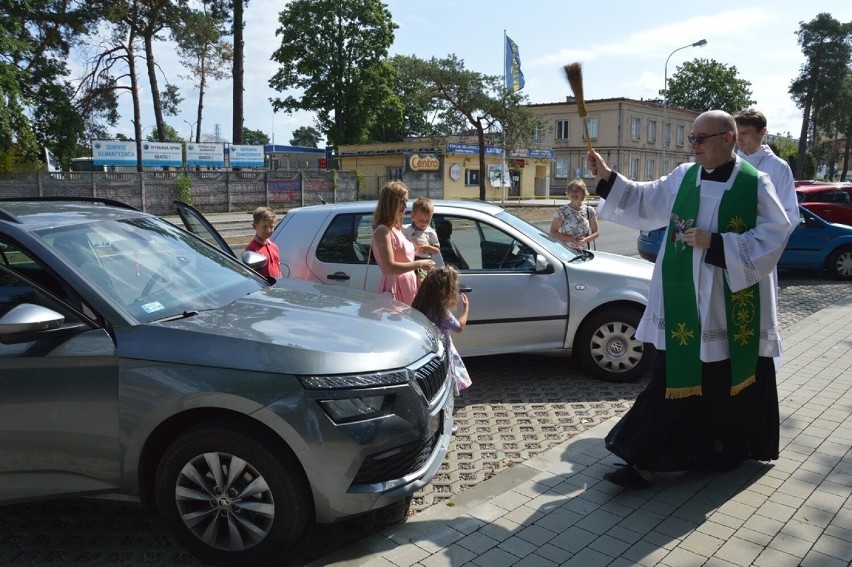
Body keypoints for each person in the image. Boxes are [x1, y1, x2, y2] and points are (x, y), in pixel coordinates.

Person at [586, 110, 794, 489]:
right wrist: (607, 177)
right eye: (692, 139)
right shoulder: (685, 176)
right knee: (669, 377)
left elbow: (777, 233)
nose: (693, 145)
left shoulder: (755, 183)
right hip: (683, 299)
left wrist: (715, 243)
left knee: (721, 381)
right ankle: (642, 460)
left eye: (701, 139)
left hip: (726, 302)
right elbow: (646, 200)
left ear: (728, 139)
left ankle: (722, 451)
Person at [371, 181, 434, 305]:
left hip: (406, 286)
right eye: (401, 202)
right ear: (390, 203)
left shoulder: (396, 228)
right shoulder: (383, 231)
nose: (405, 206)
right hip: (396, 287)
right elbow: (389, 268)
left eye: (406, 201)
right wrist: (420, 264)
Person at [411, 266, 471, 396]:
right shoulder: (441, 311)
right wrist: (466, 309)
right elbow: (459, 327)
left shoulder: (420, 301)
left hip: (425, 347)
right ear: (445, 291)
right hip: (441, 349)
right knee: (446, 374)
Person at [735, 108, 799, 227]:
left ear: (762, 132)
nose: (739, 138)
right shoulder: (728, 163)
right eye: (737, 133)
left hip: (765, 241)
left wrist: (766, 243)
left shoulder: (779, 167)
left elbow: (790, 215)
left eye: (745, 133)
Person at [403, 197, 444, 284]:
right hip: (410, 260)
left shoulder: (431, 232)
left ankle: (420, 296)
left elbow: (436, 250)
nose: (424, 223)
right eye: (421, 220)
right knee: (409, 281)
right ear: (413, 216)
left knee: (421, 281)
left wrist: (428, 247)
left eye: (427, 221)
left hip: (424, 261)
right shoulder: (406, 230)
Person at [549, 178, 600, 249]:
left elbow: (596, 232)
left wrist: (585, 240)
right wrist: (571, 239)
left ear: (583, 193)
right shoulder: (562, 211)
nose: (573, 193)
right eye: (571, 191)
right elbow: (553, 232)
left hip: (585, 252)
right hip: (566, 252)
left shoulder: (589, 210)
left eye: (577, 191)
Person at [244, 206, 281, 278]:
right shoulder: (251, 250)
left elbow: (278, 271)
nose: (268, 230)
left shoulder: (274, 247)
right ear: (255, 226)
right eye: (264, 227)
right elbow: (250, 277)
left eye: (271, 226)